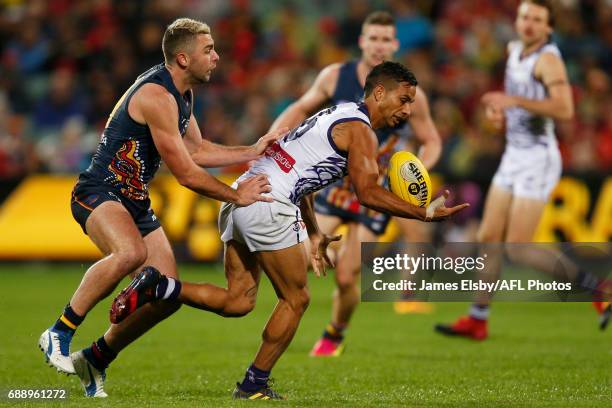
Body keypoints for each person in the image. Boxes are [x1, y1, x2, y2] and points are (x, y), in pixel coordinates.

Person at [110, 61, 468, 400]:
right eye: (403, 100)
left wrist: (313, 232)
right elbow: (368, 193)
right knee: (297, 299)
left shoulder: (336, 114)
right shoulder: (361, 132)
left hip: (242, 195)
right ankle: (254, 384)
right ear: (378, 93)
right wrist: (422, 213)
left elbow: (303, 178)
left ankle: (158, 285)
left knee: (238, 301)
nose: (407, 111)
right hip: (268, 202)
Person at [38, 18, 287, 397]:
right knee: (130, 253)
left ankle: (96, 358)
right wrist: (237, 195)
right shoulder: (156, 96)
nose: (217, 57)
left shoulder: (182, 93)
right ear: (183, 58)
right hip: (99, 191)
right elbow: (185, 173)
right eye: (209, 50)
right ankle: (60, 331)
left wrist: (251, 150)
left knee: (163, 294)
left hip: (134, 201)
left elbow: (197, 150)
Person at [269, 10, 442, 357]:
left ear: (395, 44)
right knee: (303, 254)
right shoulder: (335, 76)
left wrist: (413, 171)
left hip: (374, 188)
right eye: (373, 38)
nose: (379, 45)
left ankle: (335, 332)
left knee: (348, 277)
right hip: (336, 184)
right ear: (362, 41)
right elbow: (301, 107)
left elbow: (432, 140)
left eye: (385, 39)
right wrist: (273, 136)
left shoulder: (410, 94)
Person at [435, 0, 610, 341]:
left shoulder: (548, 60)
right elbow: (518, 104)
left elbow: (564, 108)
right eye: (525, 16)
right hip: (514, 155)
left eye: (537, 20)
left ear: (549, 28)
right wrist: (500, 114)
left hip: (537, 159)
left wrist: (514, 102)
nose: (529, 24)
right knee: (489, 237)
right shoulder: (514, 49)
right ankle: (477, 318)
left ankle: (598, 290)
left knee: (518, 247)